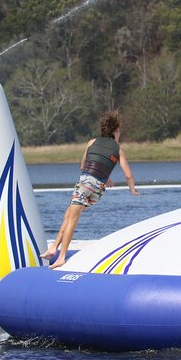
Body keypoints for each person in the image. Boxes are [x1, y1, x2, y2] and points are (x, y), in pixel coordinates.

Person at [40, 110, 139, 269]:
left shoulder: (92, 142)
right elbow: (128, 175)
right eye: (119, 131)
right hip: (98, 190)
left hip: (85, 184)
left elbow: (83, 166)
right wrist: (132, 190)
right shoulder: (118, 149)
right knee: (69, 214)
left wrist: (96, 175)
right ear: (115, 131)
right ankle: (53, 248)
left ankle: (61, 256)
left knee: (72, 218)